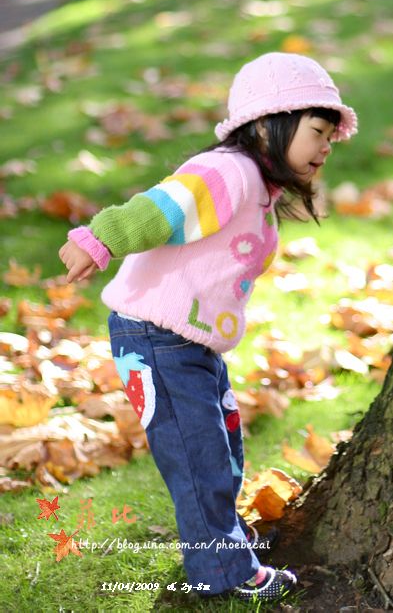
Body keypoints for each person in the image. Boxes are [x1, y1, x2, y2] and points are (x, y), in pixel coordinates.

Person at [58, 52, 358, 602]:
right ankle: (222, 575)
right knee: (199, 459)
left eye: (330, 138)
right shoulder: (227, 172)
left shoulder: (257, 185)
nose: (325, 147)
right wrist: (99, 239)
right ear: (270, 124)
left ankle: (221, 547)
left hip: (187, 341)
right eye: (317, 131)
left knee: (222, 452)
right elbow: (161, 209)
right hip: (156, 338)